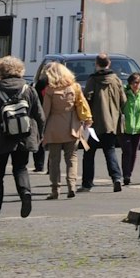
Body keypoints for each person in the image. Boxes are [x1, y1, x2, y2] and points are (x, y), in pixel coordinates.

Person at [0, 56, 43, 221]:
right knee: (20, 168)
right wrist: (39, 135)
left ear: (0, 71)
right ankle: (25, 193)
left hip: (0, 137)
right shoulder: (28, 89)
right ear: (20, 70)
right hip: (24, 135)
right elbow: (39, 115)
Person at [38, 61, 91, 200]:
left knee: (54, 159)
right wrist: (86, 119)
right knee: (72, 158)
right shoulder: (75, 87)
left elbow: (45, 112)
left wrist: (40, 130)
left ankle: (55, 189)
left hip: (54, 127)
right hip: (72, 126)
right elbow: (82, 105)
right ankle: (71, 186)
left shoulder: (50, 90)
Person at [82, 56, 126, 192]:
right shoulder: (116, 80)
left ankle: (87, 184)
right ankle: (116, 178)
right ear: (109, 64)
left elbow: (86, 99)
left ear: (96, 64)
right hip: (111, 123)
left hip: (94, 125)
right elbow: (124, 100)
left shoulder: (93, 79)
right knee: (110, 150)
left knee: (89, 153)